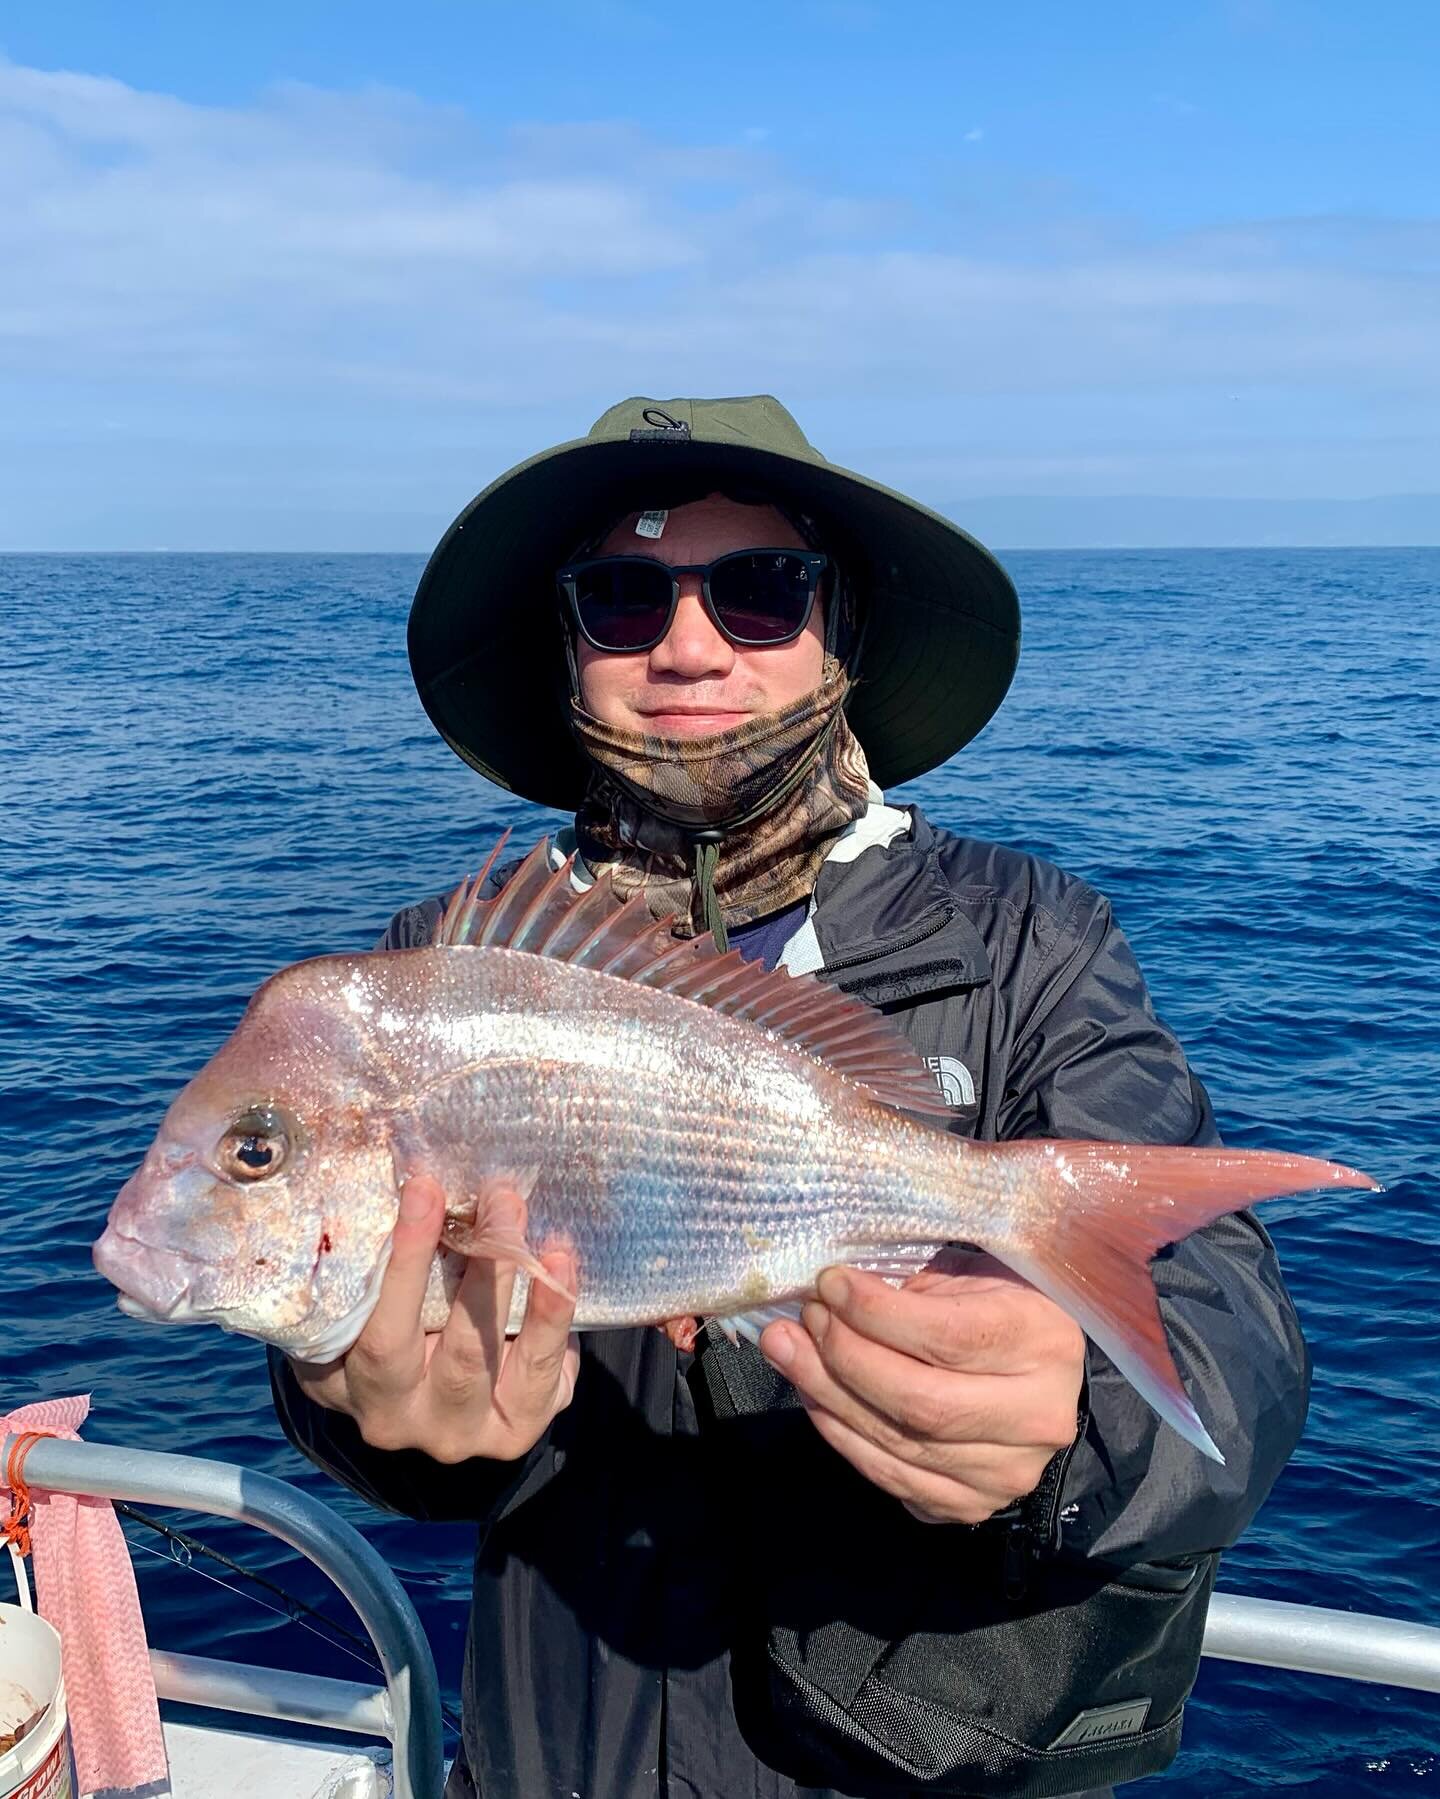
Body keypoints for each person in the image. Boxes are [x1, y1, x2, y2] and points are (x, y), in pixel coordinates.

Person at [270, 396, 1308, 1799]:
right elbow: (320, 1274)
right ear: (569, 651)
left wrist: (1073, 1438)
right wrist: (361, 1401)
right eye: (622, 598)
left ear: (843, 635)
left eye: (761, 593)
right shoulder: (439, 966)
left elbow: (1227, 1330)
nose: (687, 646)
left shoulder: (1025, 938)